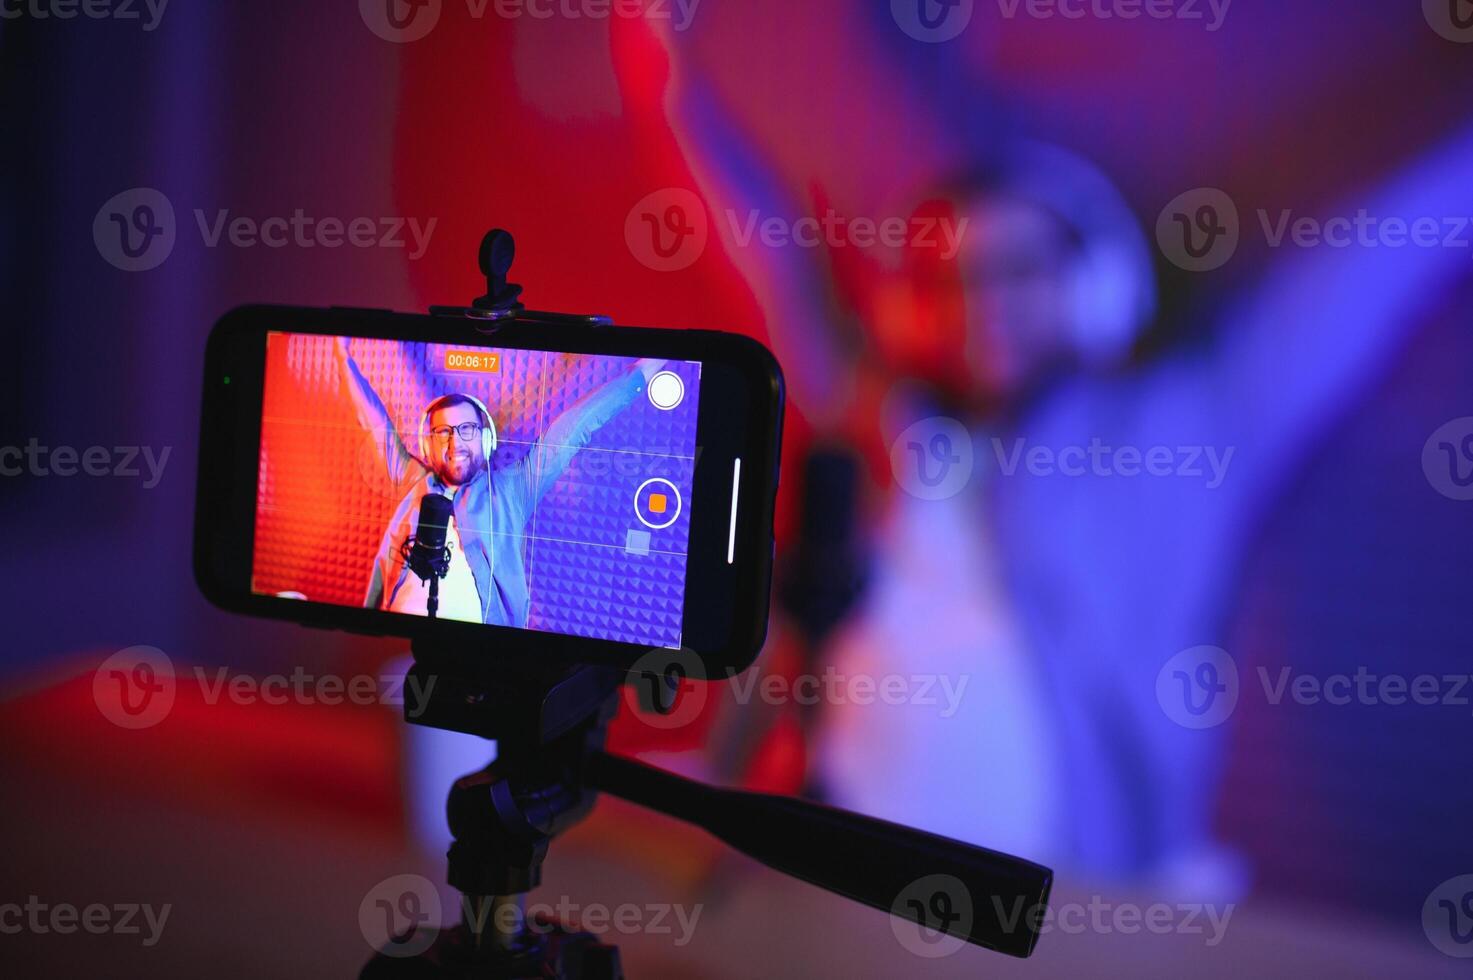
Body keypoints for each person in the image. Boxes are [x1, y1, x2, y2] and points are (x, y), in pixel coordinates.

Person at [664, 72, 1473, 893]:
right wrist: (671, 93)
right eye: (952, 278)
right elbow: (773, 264)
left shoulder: (1181, 428)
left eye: (1016, 269)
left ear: (1097, 286)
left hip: (1070, 923)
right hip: (825, 893)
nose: (982, 304)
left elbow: (1358, 276)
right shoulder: (880, 429)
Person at [335, 337, 666, 626]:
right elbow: (373, 423)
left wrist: (638, 376)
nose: (455, 443)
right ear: (428, 443)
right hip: (397, 647)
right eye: (444, 432)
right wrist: (343, 357)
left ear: (485, 438)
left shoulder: (511, 490)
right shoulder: (413, 481)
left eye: (466, 430)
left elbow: (573, 429)